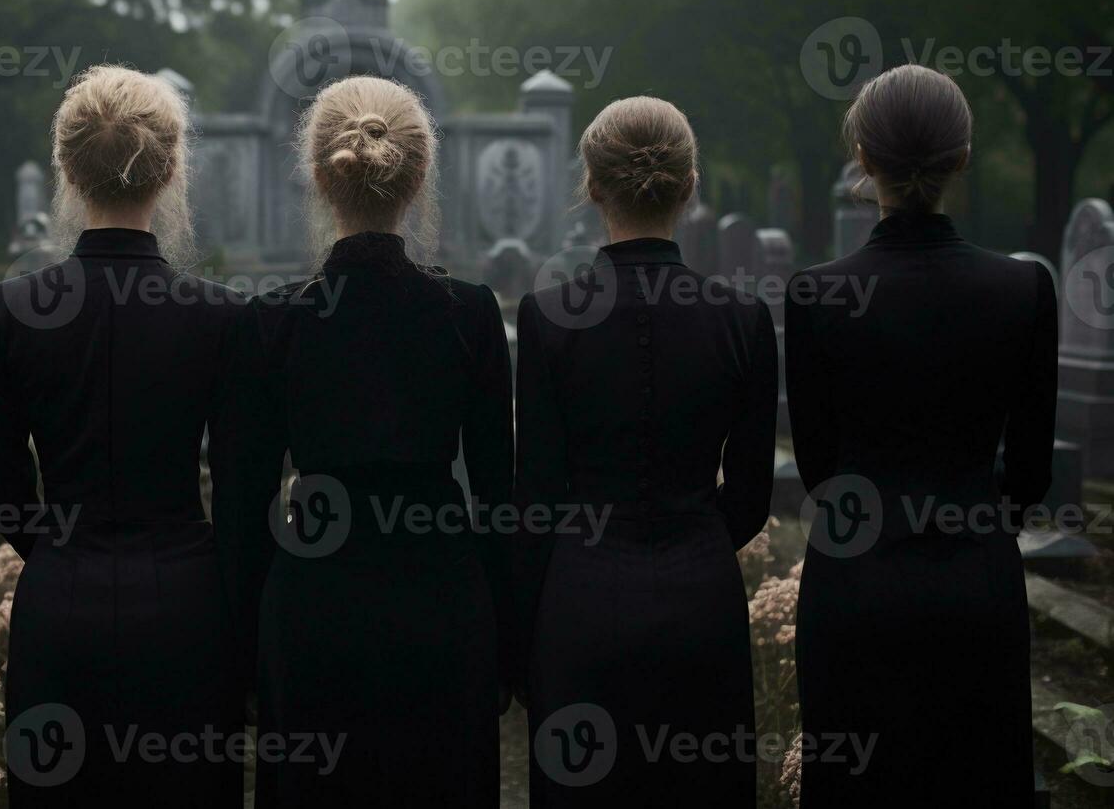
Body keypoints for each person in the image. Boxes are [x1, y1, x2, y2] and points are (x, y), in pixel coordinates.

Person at [213, 76, 514, 808]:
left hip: (313, 608)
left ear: (319, 175)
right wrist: (506, 643)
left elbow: (241, 502)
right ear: (419, 179)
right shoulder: (469, 315)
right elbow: (501, 496)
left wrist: (241, 655)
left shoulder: (270, 322)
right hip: (441, 604)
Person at [0, 65, 244, 806]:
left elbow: (0, 485)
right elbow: (244, 492)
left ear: (65, 166)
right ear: (172, 168)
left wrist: (62, 553)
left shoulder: (7, 311)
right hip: (187, 609)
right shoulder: (219, 317)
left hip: (60, 605)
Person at [787, 64, 1056, 807]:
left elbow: (820, 472)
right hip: (977, 583)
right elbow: (1030, 475)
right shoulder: (1024, 289)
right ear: (962, 158)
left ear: (864, 160)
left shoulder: (817, 292)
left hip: (855, 585)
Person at [514, 96, 775, 806]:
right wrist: (695, 540)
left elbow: (536, 497)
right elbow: (751, 497)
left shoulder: (546, 319)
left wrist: (518, 643)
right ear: (689, 186)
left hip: (580, 602)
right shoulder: (744, 319)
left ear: (593, 187)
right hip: (702, 603)